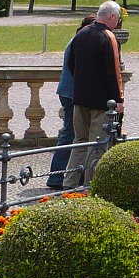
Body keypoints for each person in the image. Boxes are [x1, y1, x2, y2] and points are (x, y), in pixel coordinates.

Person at [62, 0, 124, 187]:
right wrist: (119, 99)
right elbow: (114, 72)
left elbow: (71, 65)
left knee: (79, 142)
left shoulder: (81, 35)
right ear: (111, 17)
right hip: (101, 102)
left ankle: (69, 183)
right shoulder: (108, 37)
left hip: (79, 98)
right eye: (117, 19)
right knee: (97, 145)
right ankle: (91, 186)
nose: (118, 23)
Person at [45, 13, 95, 189]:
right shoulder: (80, 41)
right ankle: (57, 175)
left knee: (74, 134)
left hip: (70, 92)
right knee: (71, 134)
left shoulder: (78, 39)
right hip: (72, 93)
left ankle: (65, 174)